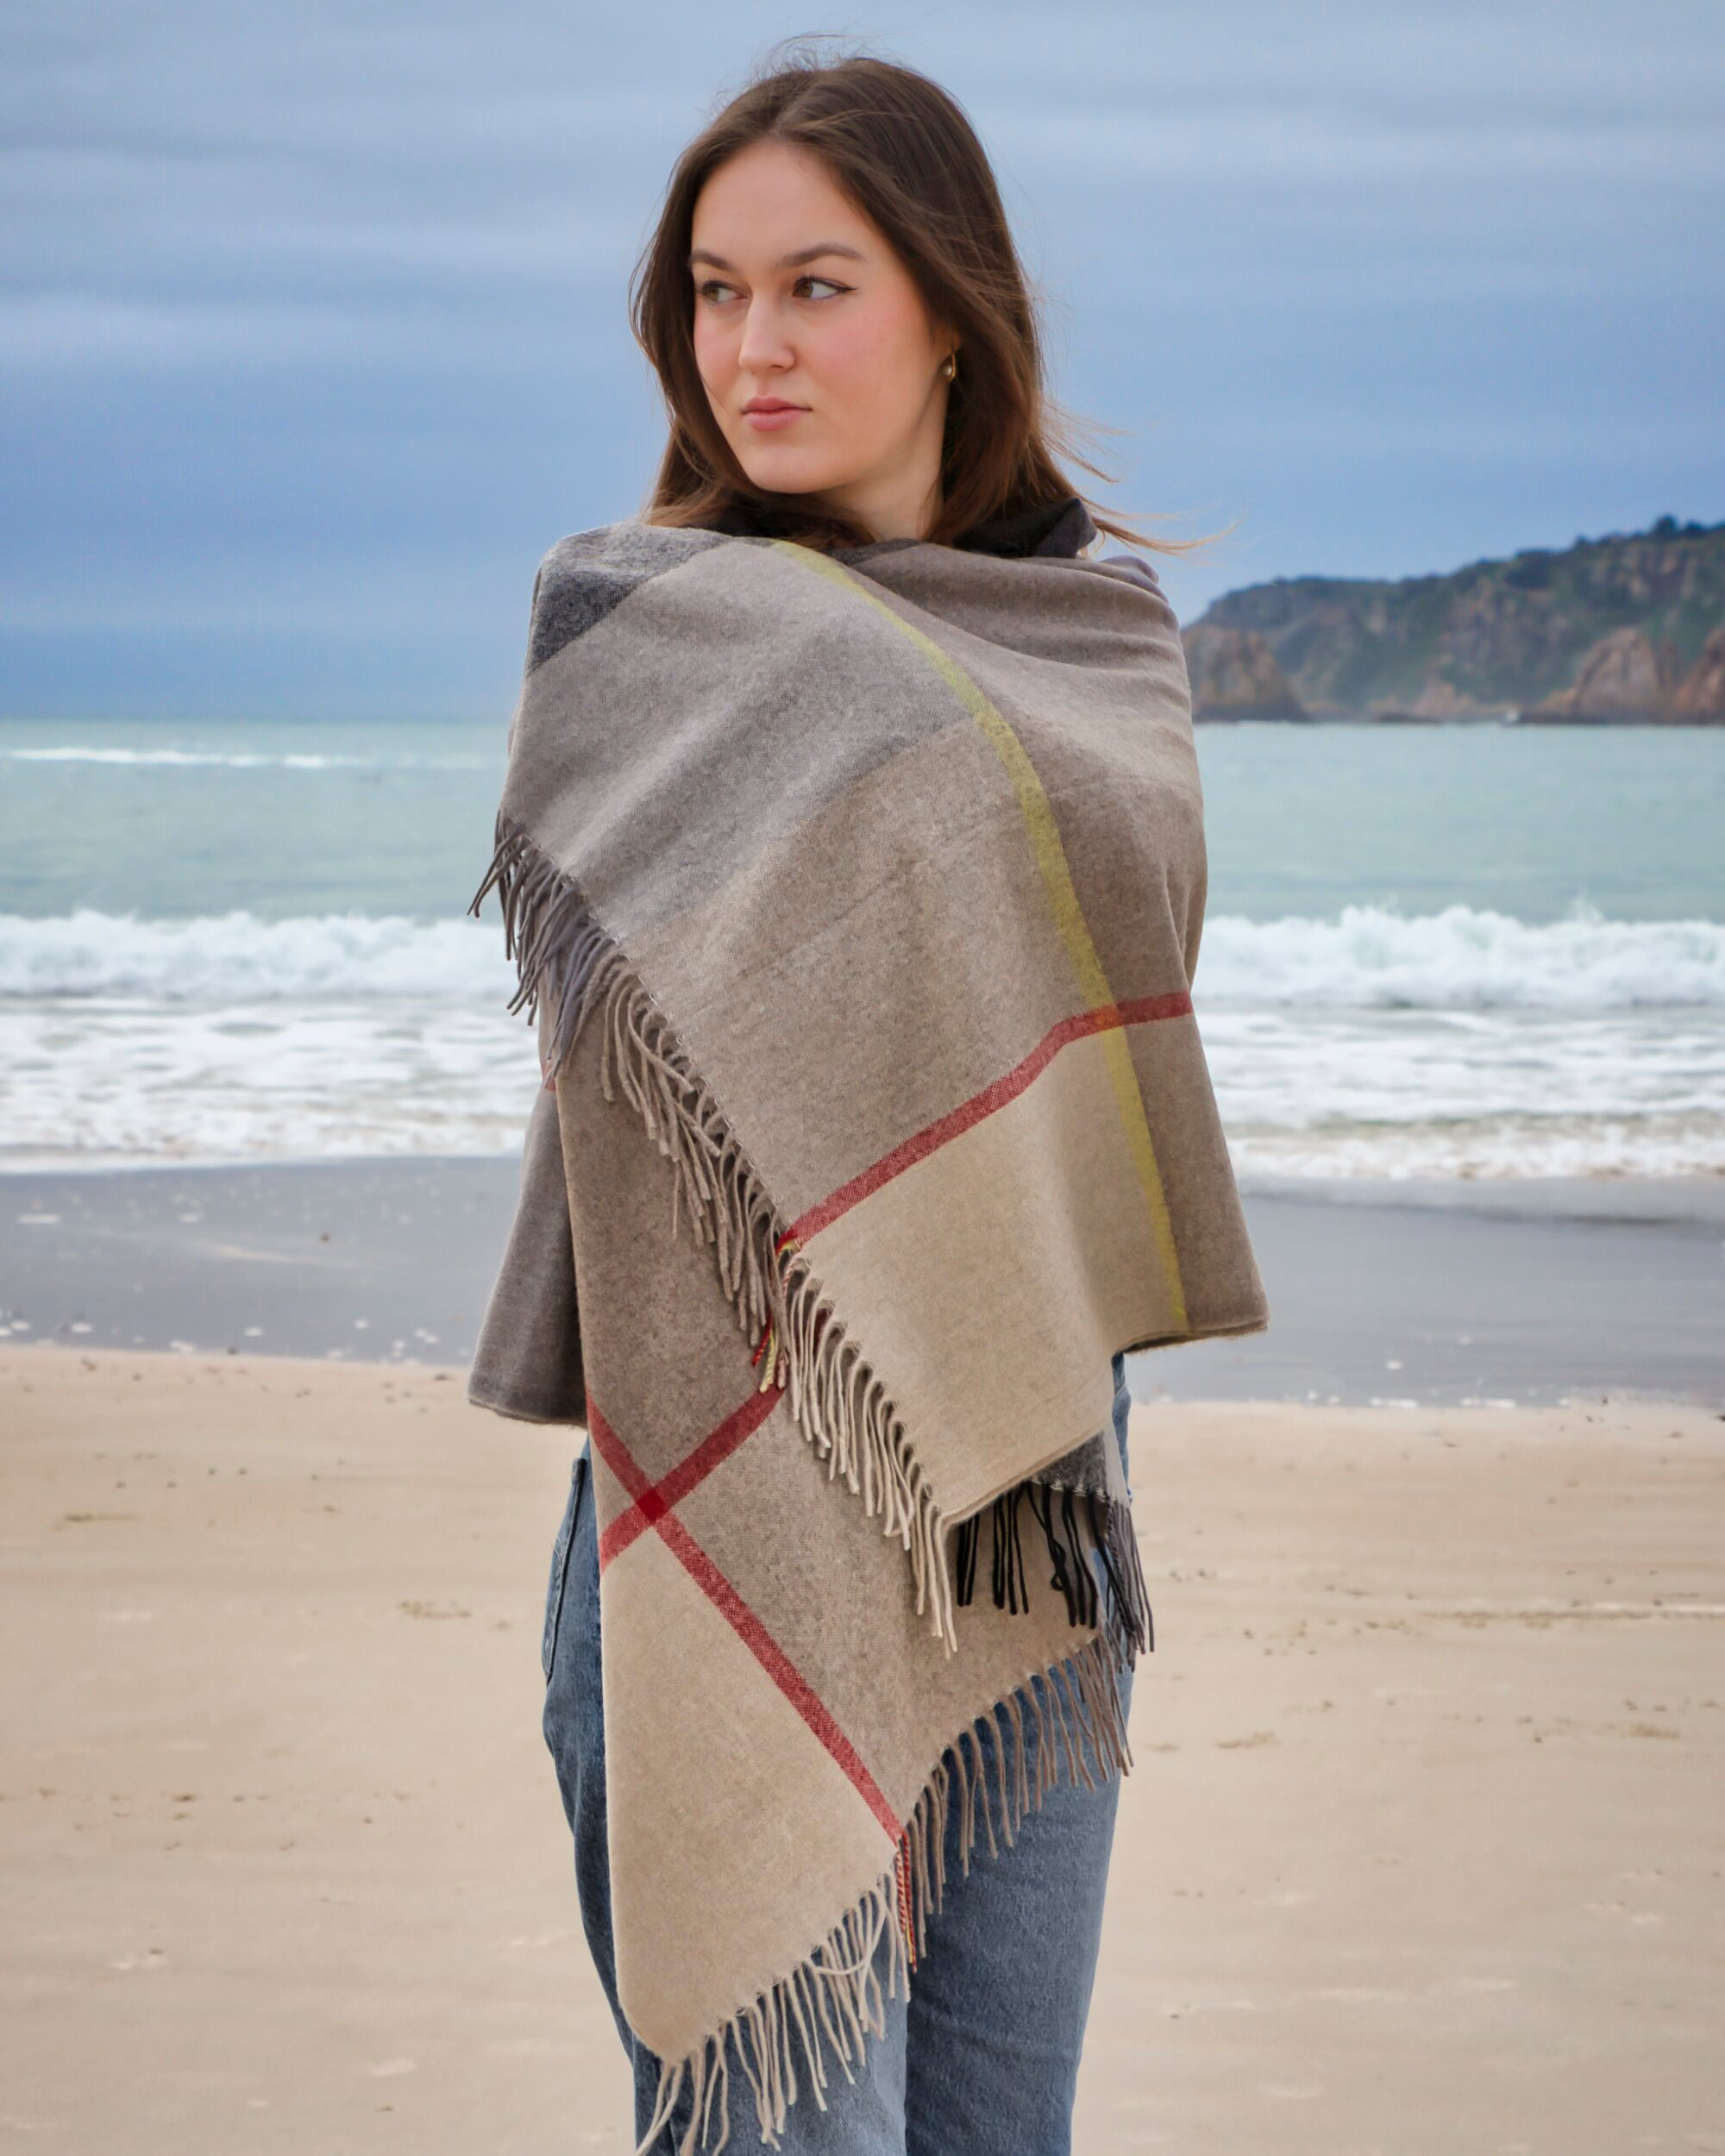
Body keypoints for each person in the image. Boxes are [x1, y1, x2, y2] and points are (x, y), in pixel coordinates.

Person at [474, 37, 1256, 2156]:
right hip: (730, 1490)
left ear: (948, 308)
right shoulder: (642, 629)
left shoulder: (1098, 637)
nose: (753, 345)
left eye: (815, 285)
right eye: (714, 295)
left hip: (1021, 1503)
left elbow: (1094, 1034)